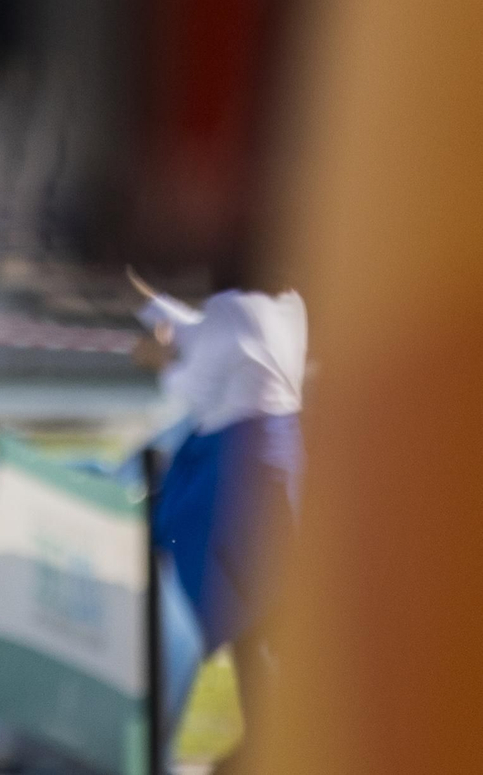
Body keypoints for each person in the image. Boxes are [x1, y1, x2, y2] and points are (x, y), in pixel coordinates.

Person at [130, 267, 305, 775]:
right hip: (273, 461)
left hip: (231, 471)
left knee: (202, 606)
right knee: (258, 614)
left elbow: (192, 388)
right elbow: (217, 337)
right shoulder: (288, 303)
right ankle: (269, 744)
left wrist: (158, 357)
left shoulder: (232, 308)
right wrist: (156, 304)